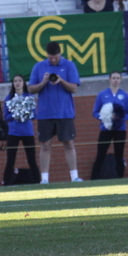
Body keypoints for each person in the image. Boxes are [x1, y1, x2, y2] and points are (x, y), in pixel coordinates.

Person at [28, 41, 82, 184]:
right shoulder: (39, 67)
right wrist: (43, 82)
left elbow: (74, 88)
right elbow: (31, 89)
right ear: (47, 55)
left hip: (64, 112)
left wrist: (61, 81)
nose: (53, 60)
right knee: (45, 145)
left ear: (60, 54)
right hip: (45, 113)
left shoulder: (69, 65)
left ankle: (74, 176)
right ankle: (44, 179)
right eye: (50, 58)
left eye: (56, 57)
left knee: (69, 143)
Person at [91, 71, 128, 179]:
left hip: (120, 129)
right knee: (100, 154)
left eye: (118, 78)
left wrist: (121, 118)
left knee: (119, 155)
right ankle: (94, 179)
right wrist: (105, 117)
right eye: (113, 78)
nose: (115, 80)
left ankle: (120, 178)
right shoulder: (102, 95)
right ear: (109, 79)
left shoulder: (125, 96)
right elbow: (95, 112)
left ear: (121, 80)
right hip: (105, 129)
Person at [2, 75, 40, 186]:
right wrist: (16, 114)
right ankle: (7, 183)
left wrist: (25, 112)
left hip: (28, 132)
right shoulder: (9, 98)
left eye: (19, 81)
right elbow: (6, 117)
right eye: (15, 81)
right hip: (13, 132)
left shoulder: (29, 97)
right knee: (10, 160)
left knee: (32, 159)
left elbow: (34, 115)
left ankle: (38, 181)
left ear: (23, 83)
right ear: (13, 84)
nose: (17, 83)